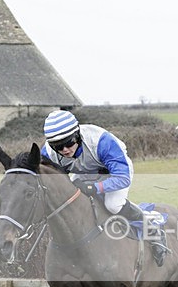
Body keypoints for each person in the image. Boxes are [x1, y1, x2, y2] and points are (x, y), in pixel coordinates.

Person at [40, 109, 168, 264]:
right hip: (84, 173)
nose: (65, 150)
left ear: (77, 135)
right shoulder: (47, 152)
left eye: (69, 143)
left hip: (113, 173)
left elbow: (123, 178)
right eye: (58, 147)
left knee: (113, 205)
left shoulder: (102, 141)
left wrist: (94, 188)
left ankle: (151, 226)